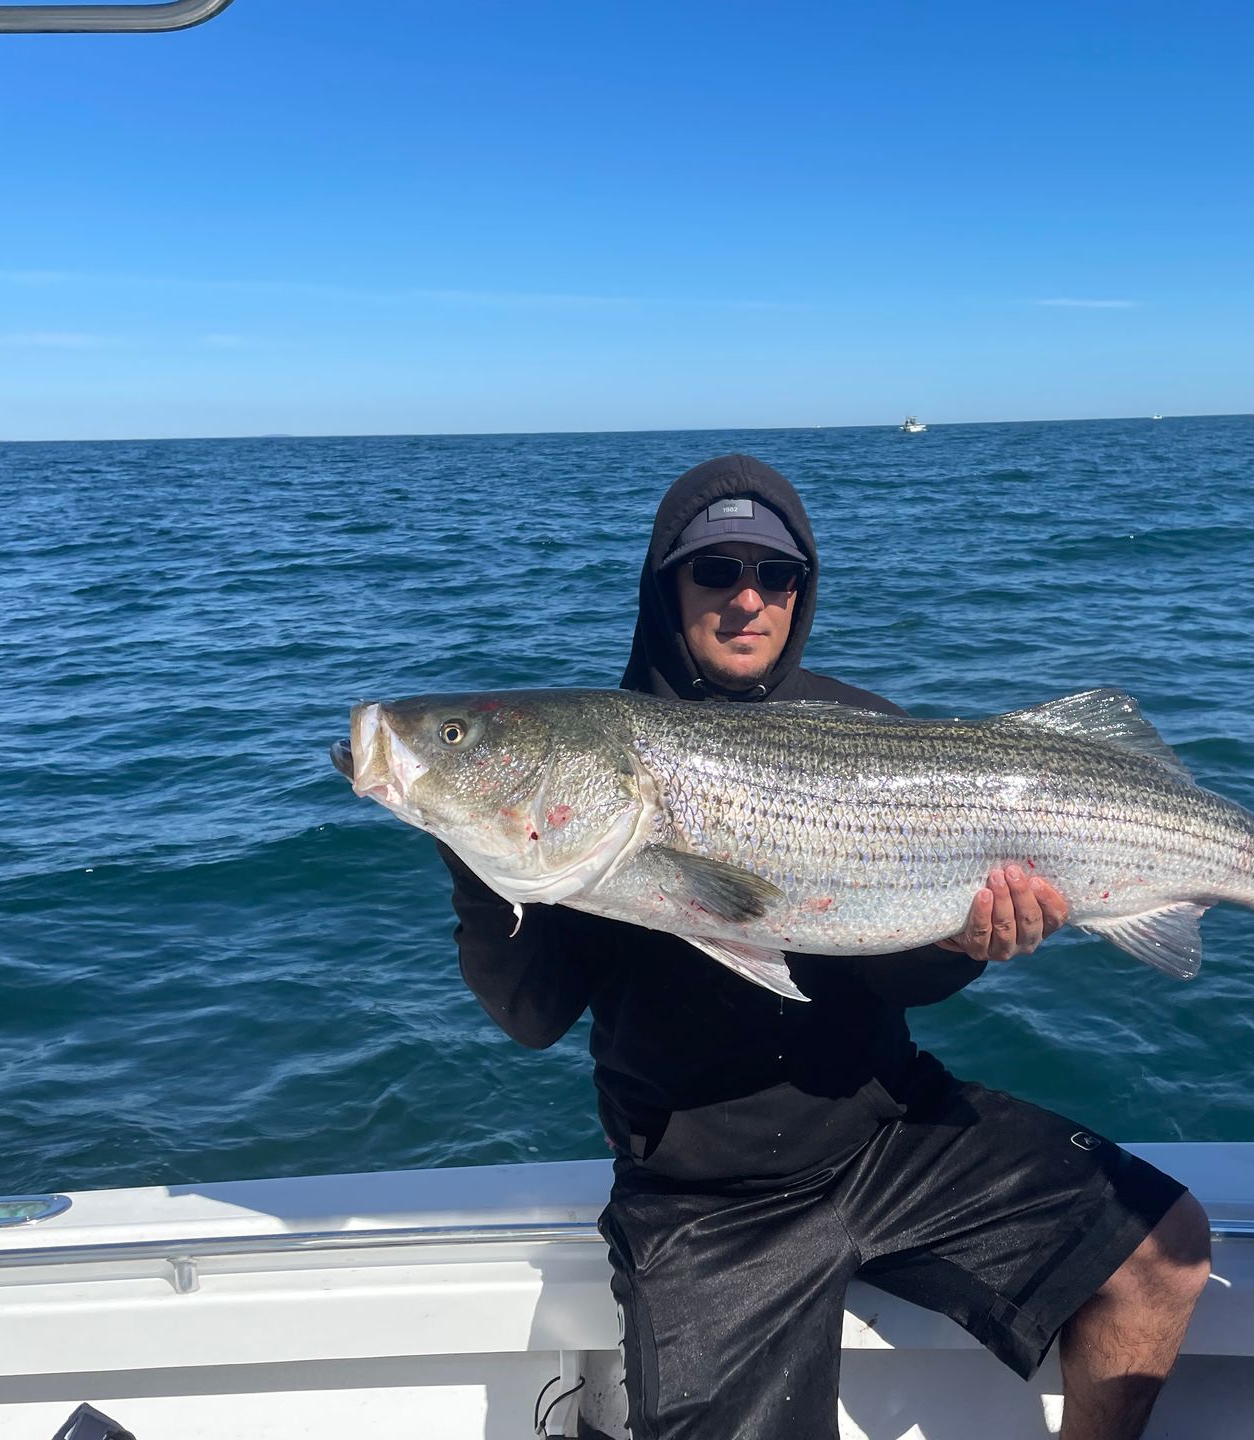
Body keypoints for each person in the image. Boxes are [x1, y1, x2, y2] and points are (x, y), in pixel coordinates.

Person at [439, 454, 1210, 1440]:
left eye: (777, 574)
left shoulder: (866, 728)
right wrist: (479, 850)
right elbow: (534, 1016)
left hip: (887, 1132)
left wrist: (968, 944)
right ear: (666, 586)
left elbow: (899, 972)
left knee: (1165, 1250)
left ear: (804, 589)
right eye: (714, 571)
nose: (747, 599)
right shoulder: (593, 764)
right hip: (703, 1204)